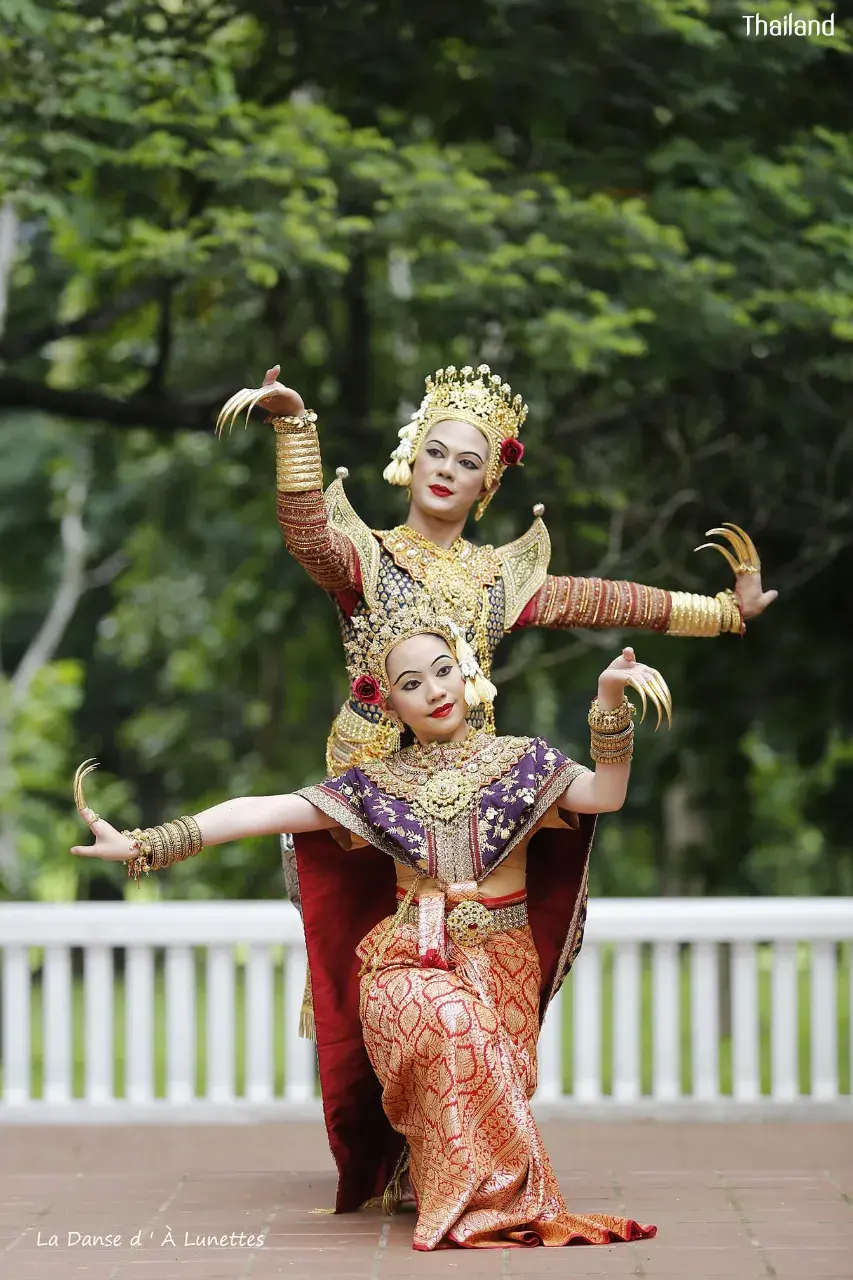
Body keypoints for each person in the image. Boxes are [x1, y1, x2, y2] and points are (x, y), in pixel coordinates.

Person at [70, 598, 671, 1251]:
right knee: (448, 1026)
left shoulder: (522, 764)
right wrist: (148, 844)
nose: (434, 691)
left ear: (467, 674)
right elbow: (259, 811)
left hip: (503, 961)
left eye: (442, 671)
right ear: (388, 705)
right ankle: (475, 1206)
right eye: (411, 684)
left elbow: (605, 796)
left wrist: (608, 699)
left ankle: (445, 1178)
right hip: (409, 961)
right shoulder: (374, 784)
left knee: (492, 1077)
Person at [217, 362, 775, 776]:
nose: (446, 471)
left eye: (468, 463)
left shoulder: (496, 579)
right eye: (435, 453)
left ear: (486, 485)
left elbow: (613, 602)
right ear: (411, 459)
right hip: (374, 785)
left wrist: (724, 612)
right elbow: (310, 537)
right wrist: (294, 427)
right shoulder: (368, 555)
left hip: (471, 792)